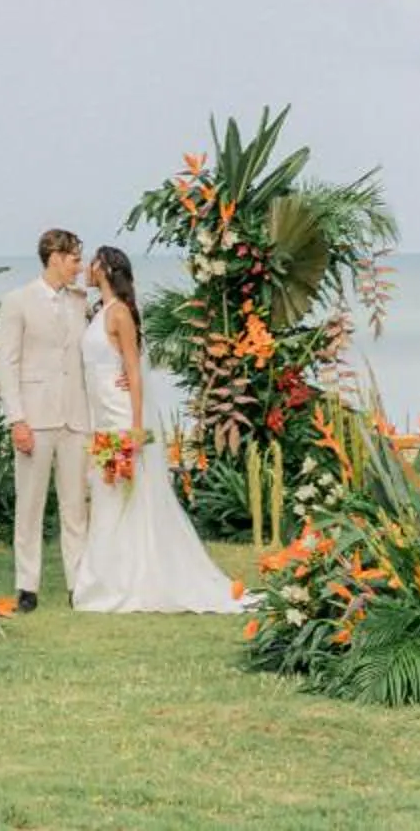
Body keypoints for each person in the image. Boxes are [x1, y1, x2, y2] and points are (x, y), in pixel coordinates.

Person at [71, 244, 239, 615]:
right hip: (99, 413)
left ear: (106, 268)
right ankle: (107, 575)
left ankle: (128, 578)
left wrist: (134, 425)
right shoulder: (98, 311)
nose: (86, 266)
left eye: (92, 261)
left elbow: (131, 369)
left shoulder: (120, 315)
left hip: (119, 414)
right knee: (106, 492)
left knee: (124, 490)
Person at [0, 226, 90, 610]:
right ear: (54, 258)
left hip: (76, 417)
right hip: (34, 418)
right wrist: (17, 418)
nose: (80, 267)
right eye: (75, 259)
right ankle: (27, 587)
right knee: (30, 505)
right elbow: (7, 364)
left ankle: (78, 584)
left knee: (75, 506)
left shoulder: (81, 300)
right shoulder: (17, 301)